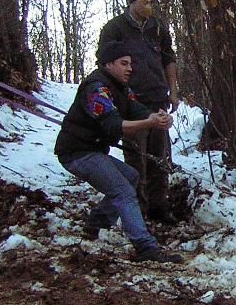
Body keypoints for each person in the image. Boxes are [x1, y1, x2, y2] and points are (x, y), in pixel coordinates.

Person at [54, 41, 182, 264]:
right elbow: (114, 125)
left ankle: (96, 223)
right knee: (123, 192)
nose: (130, 68)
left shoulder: (120, 87)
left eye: (130, 64)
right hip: (77, 153)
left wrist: (157, 115)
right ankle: (145, 247)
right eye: (124, 63)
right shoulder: (97, 89)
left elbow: (134, 108)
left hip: (93, 151)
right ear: (109, 64)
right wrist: (148, 123)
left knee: (131, 177)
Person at [98, 0, 179, 225]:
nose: (150, 6)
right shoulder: (115, 29)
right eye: (146, 1)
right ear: (133, 1)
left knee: (160, 157)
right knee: (135, 159)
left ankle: (159, 207)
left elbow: (169, 58)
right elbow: (104, 63)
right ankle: (137, 211)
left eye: (152, 2)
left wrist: (173, 90)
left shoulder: (157, 28)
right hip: (131, 102)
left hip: (157, 100)